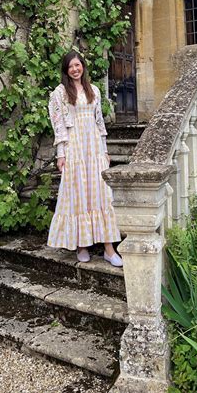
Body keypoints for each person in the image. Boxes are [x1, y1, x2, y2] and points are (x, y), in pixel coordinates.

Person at [47, 50, 123, 267]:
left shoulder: (95, 91)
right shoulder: (60, 93)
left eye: (77, 65)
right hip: (74, 148)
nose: (75, 69)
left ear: (83, 67)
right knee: (78, 194)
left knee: (101, 194)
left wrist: (105, 150)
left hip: (93, 148)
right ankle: (82, 245)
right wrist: (61, 153)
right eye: (70, 66)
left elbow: (99, 123)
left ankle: (109, 248)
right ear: (66, 70)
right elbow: (58, 125)